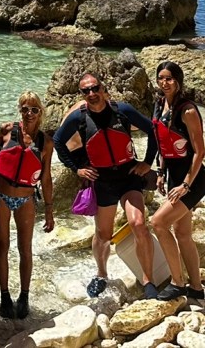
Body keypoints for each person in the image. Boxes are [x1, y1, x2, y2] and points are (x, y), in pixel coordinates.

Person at [54, 71, 158, 299]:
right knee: (103, 234)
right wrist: (77, 168)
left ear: (103, 88)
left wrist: (147, 163)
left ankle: (148, 280)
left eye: (95, 88)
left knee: (138, 223)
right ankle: (101, 274)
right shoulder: (78, 118)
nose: (92, 93)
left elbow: (152, 130)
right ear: (82, 94)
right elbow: (58, 142)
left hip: (129, 175)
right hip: (102, 181)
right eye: (86, 90)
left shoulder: (122, 110)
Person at [0, 91, 55, 318]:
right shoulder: (7, 131)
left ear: (41, 113)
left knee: (25, 249)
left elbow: (45, 178)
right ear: (20, 109)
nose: (29, 114)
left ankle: (24, 296)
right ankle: (5, 295)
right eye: (25, 109)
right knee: (2, 246)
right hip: (1, 195)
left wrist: (49, 209)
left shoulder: (46, 143)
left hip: (26, 198)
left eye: (34, 110)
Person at [150, 60, 205, 301]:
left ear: (179, 81)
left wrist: (185, 185)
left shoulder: (189, 110)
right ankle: (196, 288)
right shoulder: (159, 104)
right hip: (173, 175)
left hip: (193, 179)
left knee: (158, 223)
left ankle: (177, 282)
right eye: (161, 78)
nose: (165, 82)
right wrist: (161, 172)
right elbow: (164, 144)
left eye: (169, 78)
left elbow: (200, 152)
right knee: (182, 233)